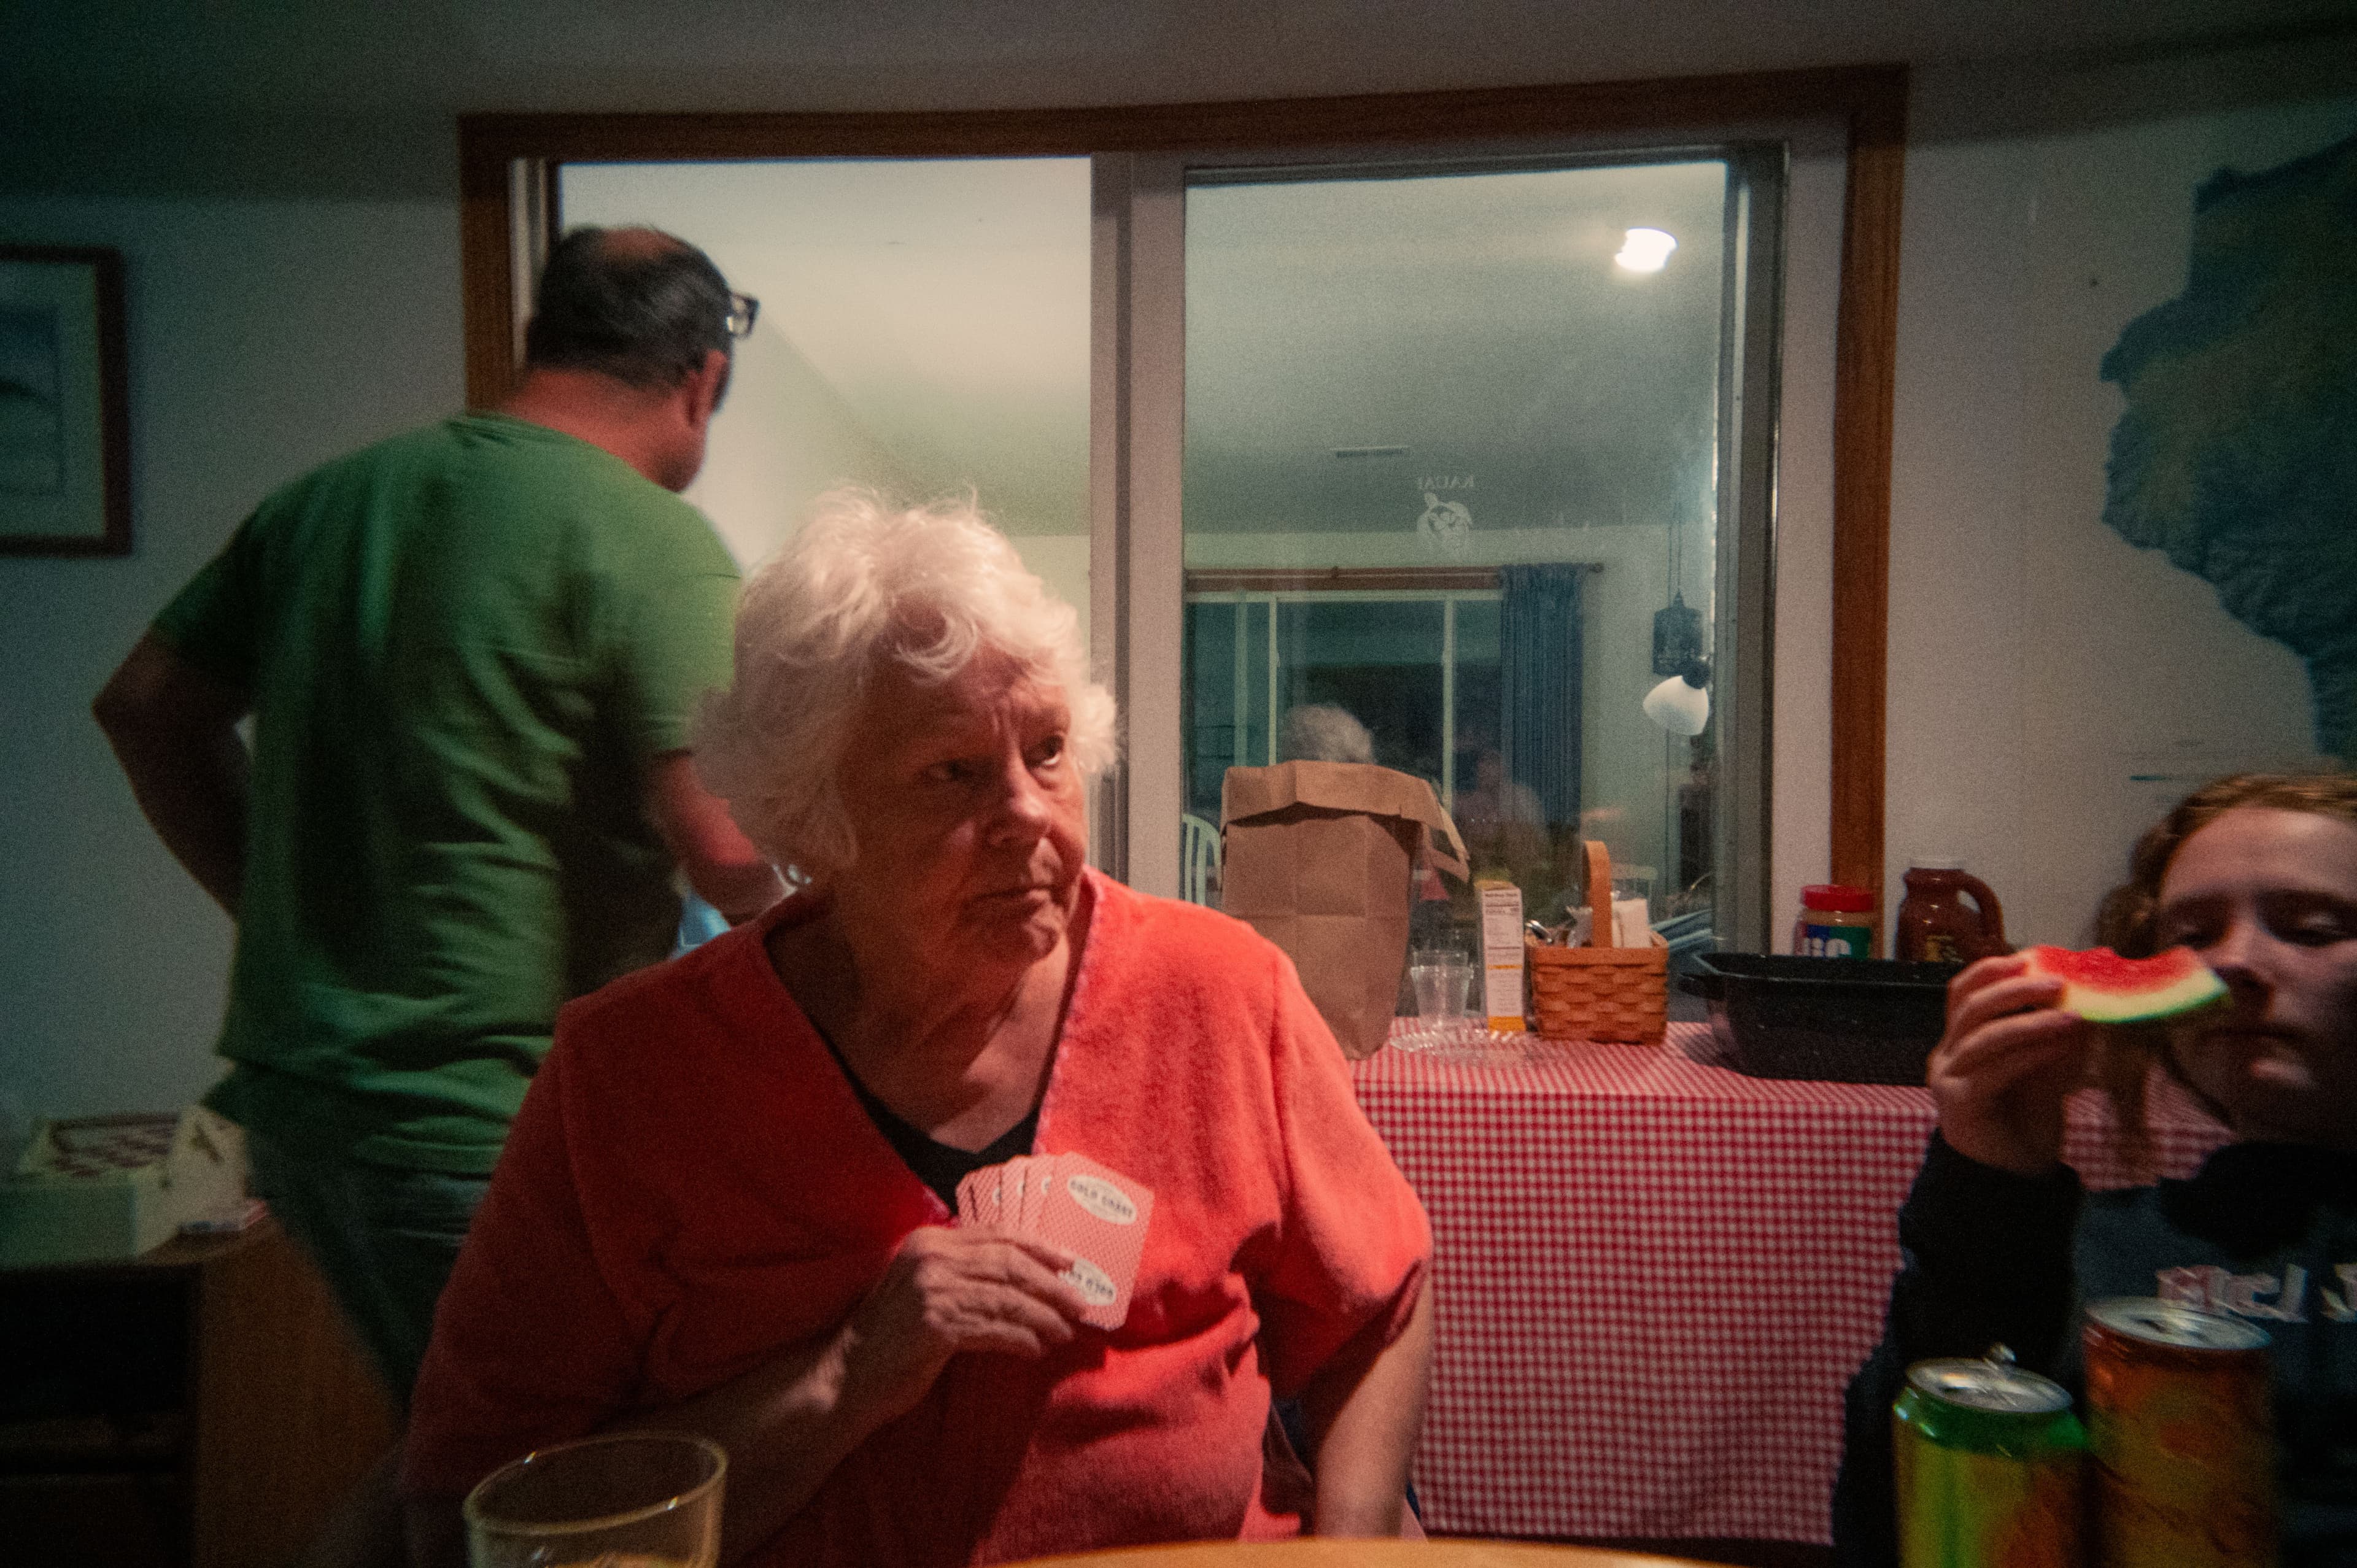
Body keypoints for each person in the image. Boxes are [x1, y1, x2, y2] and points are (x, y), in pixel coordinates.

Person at [400, 489, 1435, 1568]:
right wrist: (847, 1374)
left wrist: (1348, 1554)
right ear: (816, 815)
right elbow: (477, 1514)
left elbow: (1380, 1304)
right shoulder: (627, 1078)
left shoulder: (1222, 993)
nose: (1030, 809)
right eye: (952, 773)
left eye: (1047, 750)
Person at [91, 225, 783, 1423]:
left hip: (301, 1115)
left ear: (544, 340)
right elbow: (727, 851)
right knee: (567, 1495)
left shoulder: (326, 505)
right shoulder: (651, 538)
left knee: (448, 1465)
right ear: (703, 376)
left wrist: (271, 899)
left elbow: (147, 708)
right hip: (482, 1121)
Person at [1832, 773, 2357, 1567]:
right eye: (2194, 937)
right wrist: (1991, 1182)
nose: (2235, 964)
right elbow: (1897, 1526)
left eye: (2314, 928)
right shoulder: (2100, 1248)